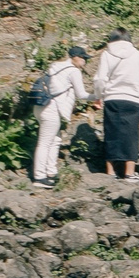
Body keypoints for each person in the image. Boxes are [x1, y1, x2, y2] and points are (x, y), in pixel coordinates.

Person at [90, 30, 139, 179]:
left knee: (111, 132)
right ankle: (129, 173)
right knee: (131, 134)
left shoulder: (107, 54)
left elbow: (101, 79)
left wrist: (99, 96)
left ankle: (110, 172)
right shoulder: (138, 54)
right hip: (133, 97)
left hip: (113, 97)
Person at [30, 45, 90, 187]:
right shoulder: (74, 71)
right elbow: (81, 95)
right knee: (45, 142)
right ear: (75, 57)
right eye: (83, 58)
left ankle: (51, 172)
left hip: (40, 106)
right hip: (51, 109)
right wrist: (98, 96)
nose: (84, 62)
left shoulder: (55, 66)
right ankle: (39, 177)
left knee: (55, 140)